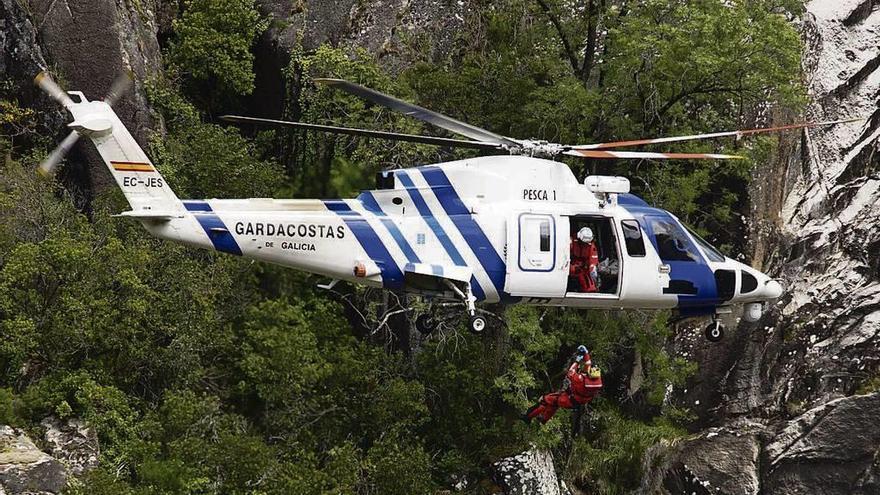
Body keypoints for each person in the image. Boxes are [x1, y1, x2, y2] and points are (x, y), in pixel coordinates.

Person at [523, 345, 603, 424]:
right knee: (554, 403)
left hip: (568, 399)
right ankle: (544, 419)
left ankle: (527, 417)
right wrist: (586, 353)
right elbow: (588, 365)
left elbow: (571, 372)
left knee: (545, 400)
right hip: (576, 401)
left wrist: (577, 361)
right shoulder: (596, 382)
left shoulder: (579, 380)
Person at [570, 227, 599, 292]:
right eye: (583, 242)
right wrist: (572, 267)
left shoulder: (591, 245)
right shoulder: (571, 242)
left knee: (590, 286)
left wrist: (593, 269)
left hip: (583, 267)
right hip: (571, 264)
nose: (585, 244)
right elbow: (563, 256)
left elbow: (593, 257)